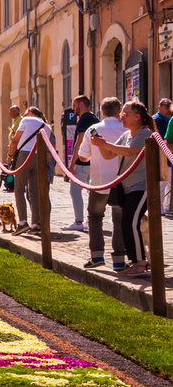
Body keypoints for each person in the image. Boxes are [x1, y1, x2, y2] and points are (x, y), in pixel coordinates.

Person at [91, 101, 155, 277]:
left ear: (137, 117)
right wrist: (100, 145)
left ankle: (141, 263)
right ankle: (136, 262)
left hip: (142, 187)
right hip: (127, 187)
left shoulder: (145, 133)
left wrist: (105, 144)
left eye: (126, 114)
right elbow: (110, 154)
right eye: (122, 113)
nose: (122, 117)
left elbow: (129, 151)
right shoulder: (127, 134)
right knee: (127, 223)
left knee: (131, 222)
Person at [78, 97, 127, 271]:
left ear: (102, 111)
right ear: (119, 111)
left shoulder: (93, 129)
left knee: (95, 217)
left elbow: (83, 156)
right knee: (119, 220)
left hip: (99, 181)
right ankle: (119, 259)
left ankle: (97, 256)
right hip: (121, 181)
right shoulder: (126, 129)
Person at [7, 107, 53, 235]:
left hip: (25, 155)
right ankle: (34, 225)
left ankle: (22, 222)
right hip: (40, 157)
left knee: (19, 188)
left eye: (25, 113)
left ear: (30, 113)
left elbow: (15, 140)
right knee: (35, 192)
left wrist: (10, 155)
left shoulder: (26, 121)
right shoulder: (47, 126)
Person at [65, 95, 100, 231]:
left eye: (75, 105)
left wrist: (72, 163)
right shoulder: (95, 118)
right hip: (93, 161)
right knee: (90, 192)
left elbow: (78, 142)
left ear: (81, 105)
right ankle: (89, 220)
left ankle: (78, 222)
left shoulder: (84, 120)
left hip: (82, 162)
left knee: (75, 190)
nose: (73, 109)